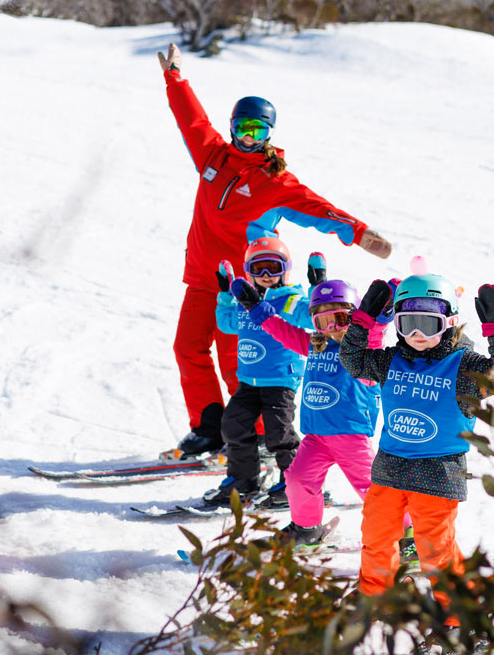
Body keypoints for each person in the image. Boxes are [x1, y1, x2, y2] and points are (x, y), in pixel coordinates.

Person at [157, 42, 393, 457]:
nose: (250, 138)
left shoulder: (274, 182)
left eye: (259, 131)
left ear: (270, 134)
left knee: (239, 360)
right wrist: (176, 78)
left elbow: (319, 209)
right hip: (202, 276)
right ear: (233, 128)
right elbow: (191, 121)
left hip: (248, 289)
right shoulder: (212, 156)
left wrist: (359, 232)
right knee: (187, 348)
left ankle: (261, 434)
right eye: (244, 128)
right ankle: (209, 428)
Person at [338, 273, 494, 629]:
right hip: (390, 470)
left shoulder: (464, 366)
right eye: (408, 325)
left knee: (436, 552)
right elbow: (353, 360)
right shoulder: (392, 361)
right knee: (376, 538)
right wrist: (363, 319)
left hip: (437, 475)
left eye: (428, 324)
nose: (418, 335)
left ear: (449, 321)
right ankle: (374, 596)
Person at [228, 275, 405, 547]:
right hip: (315, 438)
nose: (332, 328)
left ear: (356, 318)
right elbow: (280, 330)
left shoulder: (363, 349)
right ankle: (307, 529)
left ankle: (409, 534)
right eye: (323, 321)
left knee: (375, 488)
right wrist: (255, 308)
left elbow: (375, 331)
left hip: (351, 436)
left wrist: (383, 312)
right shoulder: (313, 346)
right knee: (298, 479)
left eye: (341, 319)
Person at [202, 239, 317, 506]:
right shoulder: (244, 302)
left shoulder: (290, 301)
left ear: (285, 270)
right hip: (249, 381)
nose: (266, 275)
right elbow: (227, 324)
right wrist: (226, 296)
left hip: (280, 379)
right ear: (248, 271)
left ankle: (295, 482)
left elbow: (313, 318)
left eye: (273, 268)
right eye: (258, 268)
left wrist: (317, 288)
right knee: (234, 425)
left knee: (279, 434)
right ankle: (244, 479)